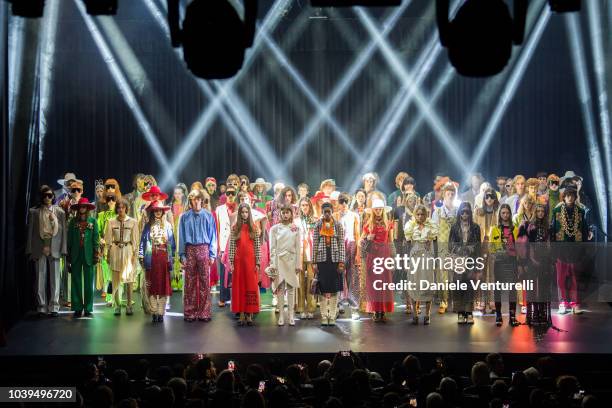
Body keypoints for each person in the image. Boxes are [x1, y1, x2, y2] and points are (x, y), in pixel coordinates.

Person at [26, 185, 67, 317]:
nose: (47, 198)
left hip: (54, 247)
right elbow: (30, 232)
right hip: (39, 246)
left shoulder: (60, 212)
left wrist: (63, 249)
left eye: (50, 195)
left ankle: (54, 306)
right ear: (41, 197)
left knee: (55, 278)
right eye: (45, 195)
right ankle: (41, 307)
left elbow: (63, 233)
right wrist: (29, 249)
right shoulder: (34, 212)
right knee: (40, 278)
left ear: (53, 197)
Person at [179, 189, 218, 322]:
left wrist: (212, 254)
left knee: (204, 282)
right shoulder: (184, 217)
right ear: (190, 201)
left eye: (198, 199)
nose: (196, 201)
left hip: (204, 249)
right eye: (193, 199)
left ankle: (204, 312)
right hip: (190, 250)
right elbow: (181, 237)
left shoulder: (208, 216)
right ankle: (190, 312)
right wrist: (182, 255)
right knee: (189, 282)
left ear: (202, 200)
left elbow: (213, 236)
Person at [550, 185, 588, 314]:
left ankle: (575, 303)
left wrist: (584, 248)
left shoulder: (581, 211)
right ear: (564, 197)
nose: (570, 198)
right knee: (560, 278)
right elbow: (553, 231)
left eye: (572, 195)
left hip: (576, 249)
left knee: (574, 277)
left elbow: (584, 231)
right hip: (561, 249)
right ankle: (562, 302)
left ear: (575, 197)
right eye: (567, 195)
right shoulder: (556, 211)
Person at [140, 201, 176, 323]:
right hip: (151, 258)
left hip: (164, 259)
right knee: (152, 285)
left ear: (163, 211)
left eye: (160, 210)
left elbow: (173, 245)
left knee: (162, 286)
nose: (158, 212)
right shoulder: (147, 226)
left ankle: (161, 313)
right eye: (155, 210)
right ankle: (154, 311)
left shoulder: (168, 226)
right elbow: (142, 242)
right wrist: (141, 255)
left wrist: (170, 257)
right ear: (153, 212)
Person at [313, 202, 346, 326]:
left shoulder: (338, 225)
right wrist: (314, 261)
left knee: (334, 288)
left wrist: (341, 261)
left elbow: (341, 243)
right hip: (322, 260)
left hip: (334, 259)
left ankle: (332, 316)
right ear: (322, 212)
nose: (327, 213)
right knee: (322, 289)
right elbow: (315, 244)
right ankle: (324, 315)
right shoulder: (318, 225)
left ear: (332, 212)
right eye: (325, 211)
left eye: (329, 211)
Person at [361, 198, 394, 322]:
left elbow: (391, 242)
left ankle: (383, 310)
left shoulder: (388, 223)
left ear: (383, 210)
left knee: (384, 283)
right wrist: (367, 238)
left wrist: (393, 257)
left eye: (380, 209)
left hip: (384, 255)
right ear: (373, 211)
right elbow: (360, 242)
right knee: (374, 284)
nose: (379, 211)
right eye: (377, 209)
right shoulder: (368, 225)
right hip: (373, 255)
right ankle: (376, 310)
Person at [404, 204, 438, 325]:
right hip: (415, 257)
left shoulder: (431, 226)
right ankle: (415, 313)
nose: (420, 216)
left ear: (426, 215)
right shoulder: (410, 226)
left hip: (427, 257)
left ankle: (427, 314)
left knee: (427, 283)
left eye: (422, 214)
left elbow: (435, 241)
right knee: (414, 283)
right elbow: (407, 244)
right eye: (417, 214)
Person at [105, 198, 139, 316]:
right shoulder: (111, 222)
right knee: (115, 280)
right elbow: (108, 240)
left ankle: (129, 305)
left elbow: (135, 240)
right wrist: (108, 255)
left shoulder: (133, 222)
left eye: (123, 207)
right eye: (118, 207)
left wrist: (135, 254)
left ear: (126, 208)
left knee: (129, 280)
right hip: (115, 250)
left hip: (128, 250)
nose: (120, 209)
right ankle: (117, 305)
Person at [228, 203, 261, 326]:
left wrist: (258, 262)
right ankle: (241, 312)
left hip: (250, 261)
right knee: (239, 286)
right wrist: (231, 261)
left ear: (249, 213)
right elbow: (232, 246)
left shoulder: (254, 227)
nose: (244, 214)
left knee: (250, 286)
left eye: (246, 212)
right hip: (238, 261)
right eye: (242, 212)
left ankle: (249, 313)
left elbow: (257, 246)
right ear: (239, 213)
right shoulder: (235, 227)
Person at [448, 202, 481, 324]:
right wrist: (460, 250)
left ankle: (469, 312)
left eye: (467, 211)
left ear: (470, 213)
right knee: (459, 287)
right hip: (458, 260)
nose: (465, 214)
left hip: (471, 260)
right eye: (463, 212)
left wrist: (477, 262)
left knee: (470, 287)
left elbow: (478, 245)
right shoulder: (454, 227)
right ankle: (460, 313)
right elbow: (450, 245)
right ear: (459, 213)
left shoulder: (476, 227)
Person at [269, 204, 302, 326]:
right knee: (281, 288)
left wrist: (298, 263)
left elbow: (298, 247)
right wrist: (273, 264)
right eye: (283, 212)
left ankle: (291, 315)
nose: (285, 214)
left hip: (292, 260)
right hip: (279, 261)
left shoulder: (295, 228)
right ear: (280, 214)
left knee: (291, 288)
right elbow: (272, 248)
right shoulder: (274, 229)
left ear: (291, 214)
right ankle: (282, 314)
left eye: (288, 212)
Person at [67, 198, 99, 318]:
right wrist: (68, 256)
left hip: (89, 254)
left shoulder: (93, 221)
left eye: (84, 207)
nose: (82, 209)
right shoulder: (72, 222)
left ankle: (88, 307)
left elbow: (96, 238)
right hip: (75, 254)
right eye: (80, 207)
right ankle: (77, 307)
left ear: (87, 208)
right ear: (78, 208)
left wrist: (96, 253)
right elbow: (69, 240)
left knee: (88, 281)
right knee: (76, 280)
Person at [489, 204, 519, 327]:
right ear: (500, 215)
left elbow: (520, 248)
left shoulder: (515, 229)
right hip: (499, 262)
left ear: (510, 214)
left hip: (512, 262)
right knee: (498, 289)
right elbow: (491, 247)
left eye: (507, 213)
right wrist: (497, 253)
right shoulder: (495, 229)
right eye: (503, 213)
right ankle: (498, 315)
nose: (505, 215)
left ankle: (512, 316)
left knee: (512, 289)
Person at [431, 181, 458, 314]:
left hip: (456, 248)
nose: (450, 195)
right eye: (448, 193)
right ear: (444, 195)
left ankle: (456, 301)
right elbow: (434, 232)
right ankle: (444, 301)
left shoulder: (458, 211)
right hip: (442, 247)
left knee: (456, 275)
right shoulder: (437, 212)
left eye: (452, 193)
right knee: (443, 275)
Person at [473, 187, 500, 314]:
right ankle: (481, 301)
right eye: (487, 196)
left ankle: (492, 301)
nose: (489, 198)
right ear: (484, 198)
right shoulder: (478, 212)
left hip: (494, 246)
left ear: (495, 198)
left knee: (493, 274)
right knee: (481, 274)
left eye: (491, 196)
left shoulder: (498, 212)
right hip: (481, 246)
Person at [526, 203, 553, 326]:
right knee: (532, 287)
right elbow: (529, 244)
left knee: (543, 286)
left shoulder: (548, 226)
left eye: (542, 211)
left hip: (545, 258)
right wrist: (532, 258)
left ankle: (542, 311)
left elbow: (549, 244)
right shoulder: (531, 226)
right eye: (538, 211)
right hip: (533, 257)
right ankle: (534, 311)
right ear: (535, 213)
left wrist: (548, 259)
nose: (540, 213)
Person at [337, 193, 361, 320]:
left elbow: (357, 235)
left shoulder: (354, 216)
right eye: (341, 201)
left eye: (346, 201)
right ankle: (339, 304)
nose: (344, 204)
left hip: (351, 246)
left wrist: (358, 253)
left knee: (353, 277)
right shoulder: (335, 216)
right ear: (338, 203)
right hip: (338, 247)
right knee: (338, 276)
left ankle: (354, 308)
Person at [216, 185, 238, 308]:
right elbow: (217, 228)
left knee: (235, 272)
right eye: (228, 193)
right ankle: (223, 298)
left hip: (236, 243)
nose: (230, 196)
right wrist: (219, 246)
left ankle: (235, 296)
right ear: (225, 195)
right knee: (224, 271)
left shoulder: (239, 208)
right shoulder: (219, 209)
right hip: (224, 243)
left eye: (232, 193)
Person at [295, 197, 317, 320]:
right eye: (302, 205)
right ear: (300, 207)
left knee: (311, 281)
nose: (304, 207)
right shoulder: (296, 221)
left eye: (306, 205)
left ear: (310, 206)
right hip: (300, 253)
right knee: (300, 281)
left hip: (312, 253)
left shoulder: (315, 220)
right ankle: (301, 308)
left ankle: (311, 308)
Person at [171, 183, 189, 291]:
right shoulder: (171, 206)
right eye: (175, 193)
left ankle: (184, 282)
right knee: (175, 257)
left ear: (183, 194)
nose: (177, 196)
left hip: (183, 233)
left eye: (179, 193)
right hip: (174, 232)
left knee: (183, 255)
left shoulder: (186, 206)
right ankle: (175, 281)